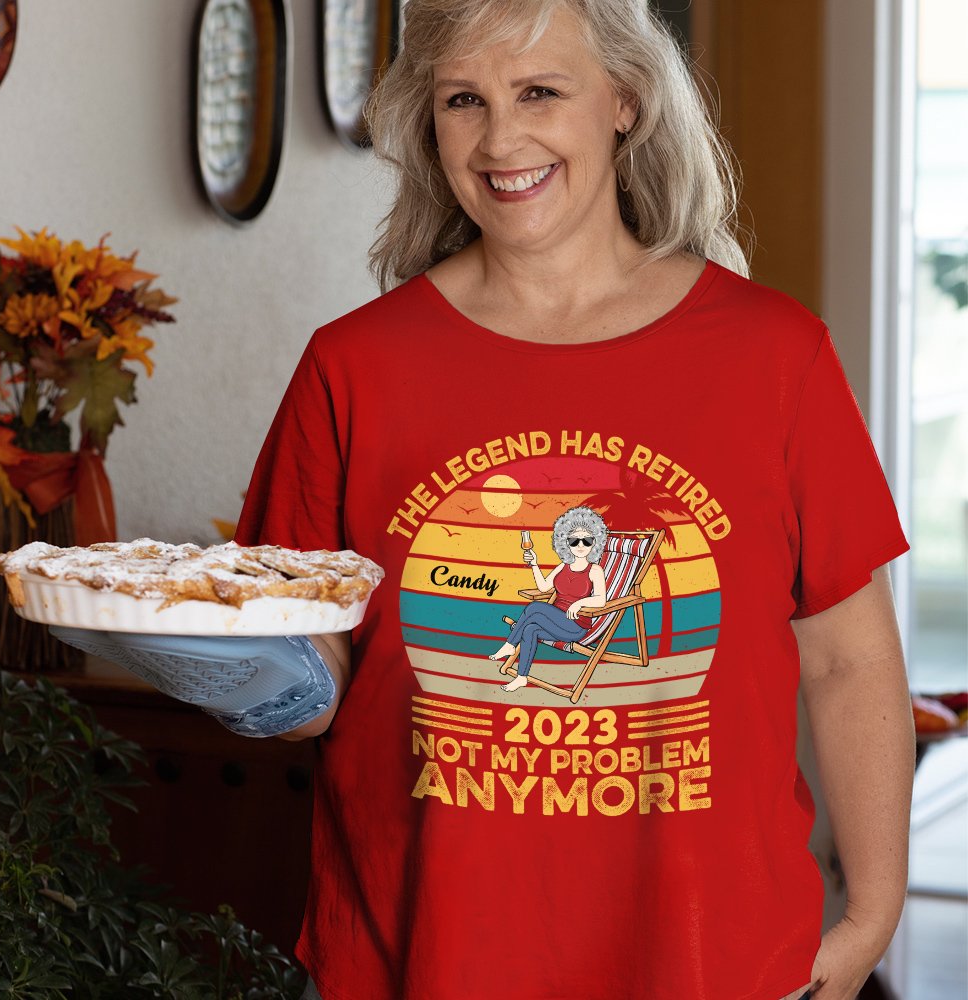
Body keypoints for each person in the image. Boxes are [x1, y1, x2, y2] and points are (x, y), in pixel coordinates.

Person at [55, 1, 916, 998]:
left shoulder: (774, 356)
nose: (501, 140)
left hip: (709, 960)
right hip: (425, 957)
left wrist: (872, 914)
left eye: (539, 91)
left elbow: (849, 657)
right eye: (464, 100)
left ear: (625, 100)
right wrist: (228, 667)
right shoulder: (356, 368)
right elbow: (313, 669)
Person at [490, 506, 608, 692]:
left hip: (575, 626)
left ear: (595, 542)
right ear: (565, 542)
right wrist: (534, 564)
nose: (580, 545)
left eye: (587, 540)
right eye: (574, 540)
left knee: (535, 608)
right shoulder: (563, 566)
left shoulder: (595, 570)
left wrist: (580, 603)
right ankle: (521, 677)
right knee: (529, 629)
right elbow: (544, 587)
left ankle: (510, 644)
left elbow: (601, 600)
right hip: (554, 621)